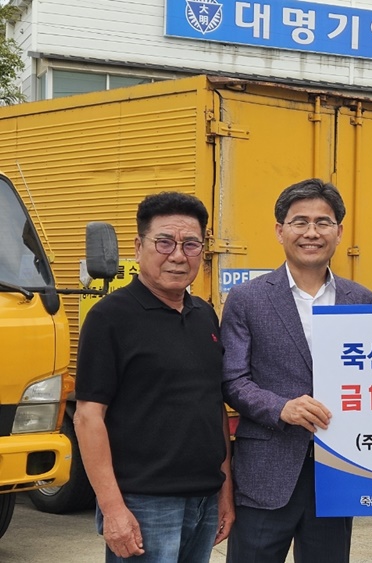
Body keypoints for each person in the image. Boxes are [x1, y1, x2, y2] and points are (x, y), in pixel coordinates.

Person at [220, 178, 372, 562]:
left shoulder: (362, 300)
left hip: (338, 470)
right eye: (300, 222)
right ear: (280, 230)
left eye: (323, 222)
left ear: (339, 232)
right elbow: (233, 379)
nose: (311, 233)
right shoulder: (247, 298)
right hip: (266, 472)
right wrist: (281, 407)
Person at [75, 192, 234, 562]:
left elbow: (214, 408)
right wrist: (113, 509)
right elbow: (88, 417)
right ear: (138, 246)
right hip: (144, 503)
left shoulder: (204, 315)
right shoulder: (110, 317)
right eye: (164, 242)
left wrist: (225, 493)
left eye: (191, 244)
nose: (178, 256)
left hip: (204, 499)